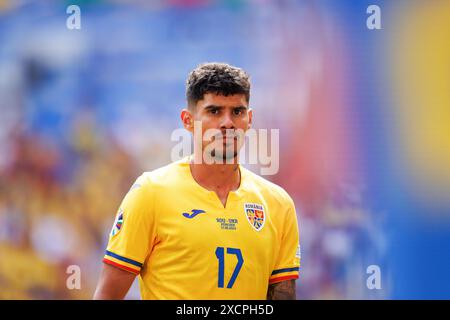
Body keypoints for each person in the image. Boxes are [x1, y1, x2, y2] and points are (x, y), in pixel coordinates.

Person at [93, 62, 300, 300]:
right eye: (214, 111)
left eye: (237, 112)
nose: (227, 123)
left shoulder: (278, 203)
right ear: (188, 120)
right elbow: (107, 295)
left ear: (249, 119)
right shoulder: (151, 192)